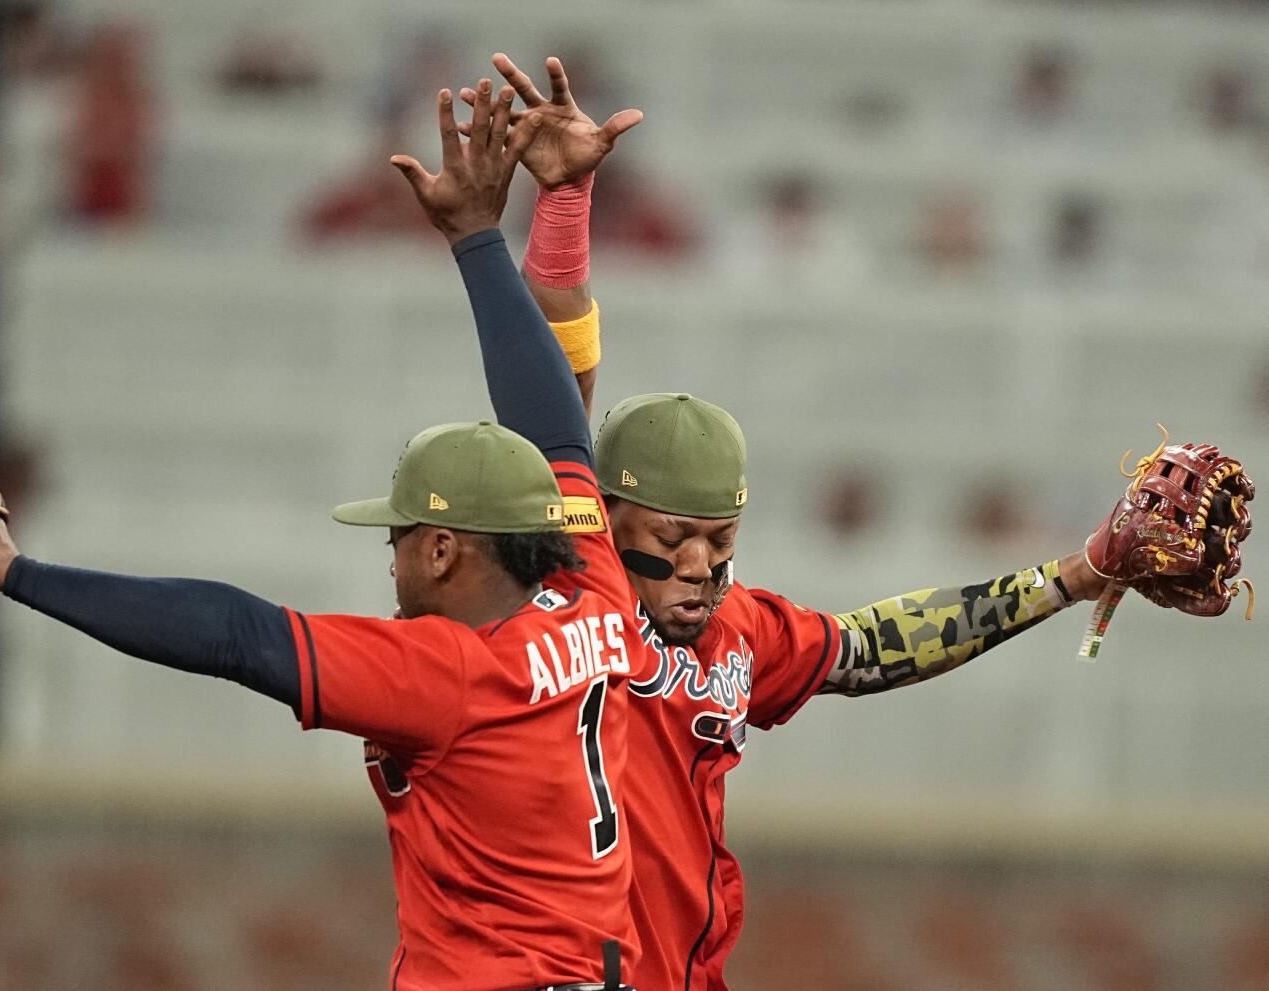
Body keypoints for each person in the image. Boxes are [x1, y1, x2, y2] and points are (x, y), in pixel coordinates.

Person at [443, 53, 1130, 991]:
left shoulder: (737, 632)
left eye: (719, 541)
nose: (698, 564)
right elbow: (551, 394)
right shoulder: (568, 590)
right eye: (672, 535)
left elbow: (875, 644)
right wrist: (561, 206)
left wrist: (1071, 577)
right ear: (603, 518)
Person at [0, 86, 642, 991]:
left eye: (398, 536)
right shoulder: (595, 590)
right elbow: (555, 426)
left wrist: (15, 570)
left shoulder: (447, 674)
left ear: (442, 549)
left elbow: (235, 634)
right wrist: (479, 239)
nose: (389, 556)